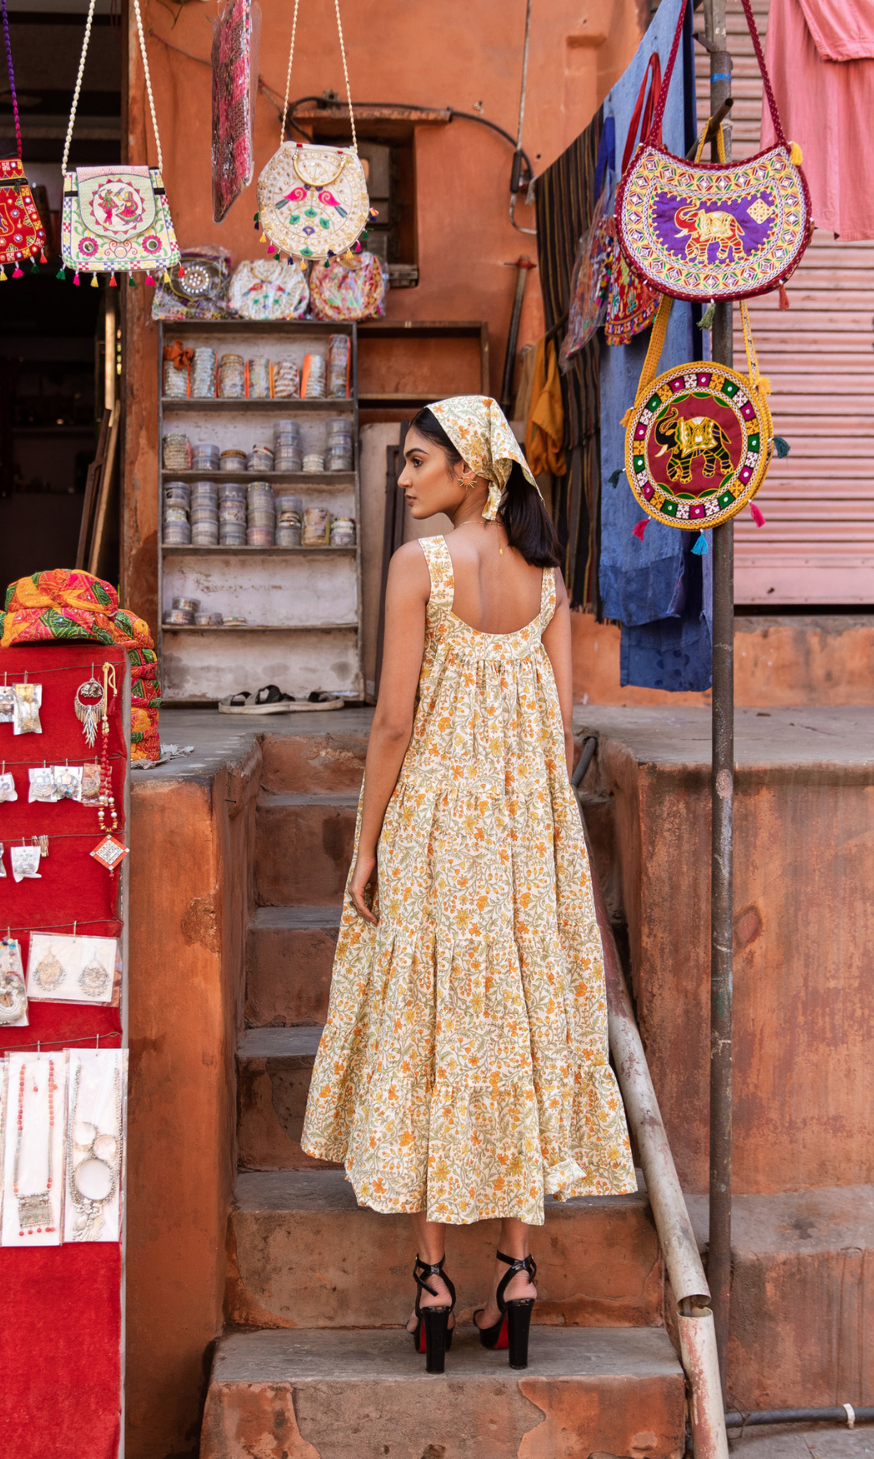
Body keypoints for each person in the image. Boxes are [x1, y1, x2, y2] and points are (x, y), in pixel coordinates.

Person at [300, 396, 636, 1374]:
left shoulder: (421, 568)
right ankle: (517, 1277)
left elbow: (393, 723)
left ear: (472, 471)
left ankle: (432, 1283)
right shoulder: (546, 578)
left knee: (437, 1022)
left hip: (440, 827)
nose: (403, 478)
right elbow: (563, 722)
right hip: (529, 834)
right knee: (520, 1022)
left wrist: (366, 846)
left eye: (416, 463)